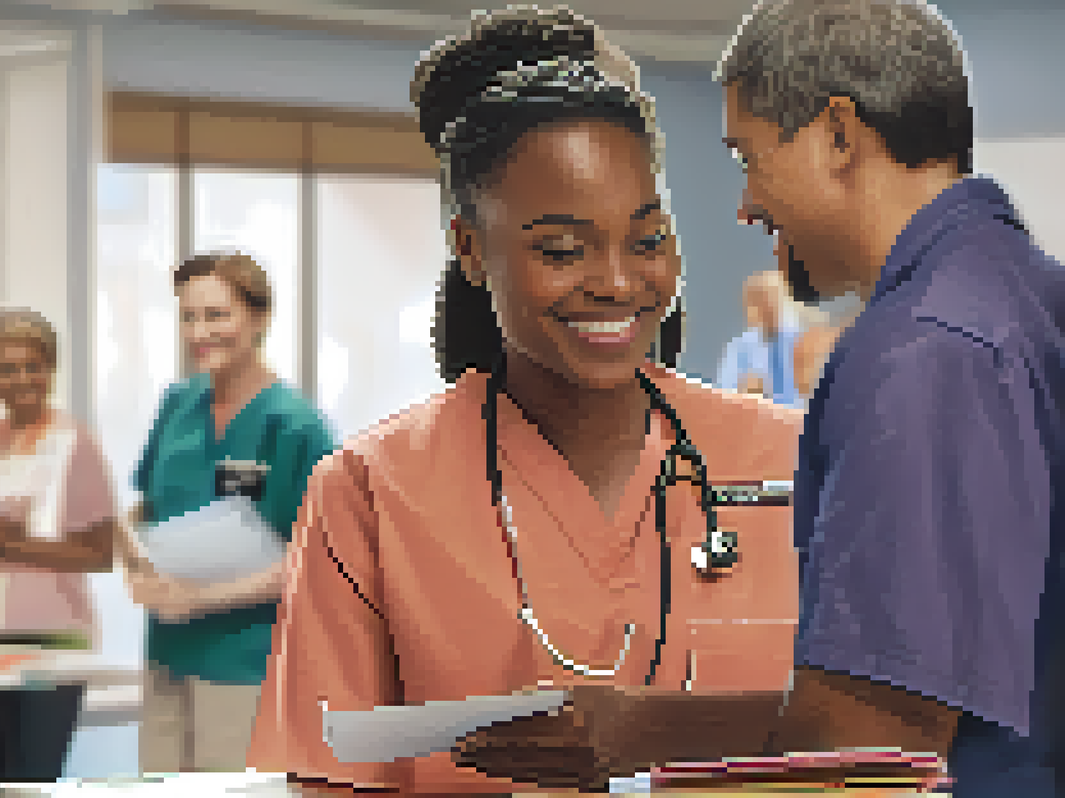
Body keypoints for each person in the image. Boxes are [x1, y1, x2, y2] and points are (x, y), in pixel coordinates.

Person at [456, 1, 1065, 795]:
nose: (745, 203)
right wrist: (636, 723)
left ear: (839, 135)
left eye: (749, 156)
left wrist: (644, 734)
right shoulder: (1024, 294)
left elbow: (871, 744)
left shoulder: (925, 354)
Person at [247, 8, 805, 793]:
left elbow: (890, 743)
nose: (616, 281)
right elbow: (331, 778)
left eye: (646, 239)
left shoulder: (795, 459)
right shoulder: (369, 494)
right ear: (470, 247)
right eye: (561, 249)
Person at [122, 251, 338, 775]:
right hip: (166, 655)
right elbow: (142, 511)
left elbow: (314, 561)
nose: (201, 331)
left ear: (260, 318)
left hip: (244, 665)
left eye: (217, 315)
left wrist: (198, 598)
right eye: (189, 316)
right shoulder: (177, 405)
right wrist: (135, 563)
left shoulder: (295, 425)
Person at [0, 308, 120, 798]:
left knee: (28, 784)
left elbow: (101, 553)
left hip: (51, 642)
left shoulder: (76, 443)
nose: (23, 379)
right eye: (8, 368)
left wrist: (9, 544)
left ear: (50, 369)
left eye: (34, 366)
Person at [716, 270, 803, 407]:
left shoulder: (804, 342)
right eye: (754, 302)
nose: (765, 308)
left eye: (771, 299)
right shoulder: (740, 348)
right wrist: (743, 392)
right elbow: (724, 396)